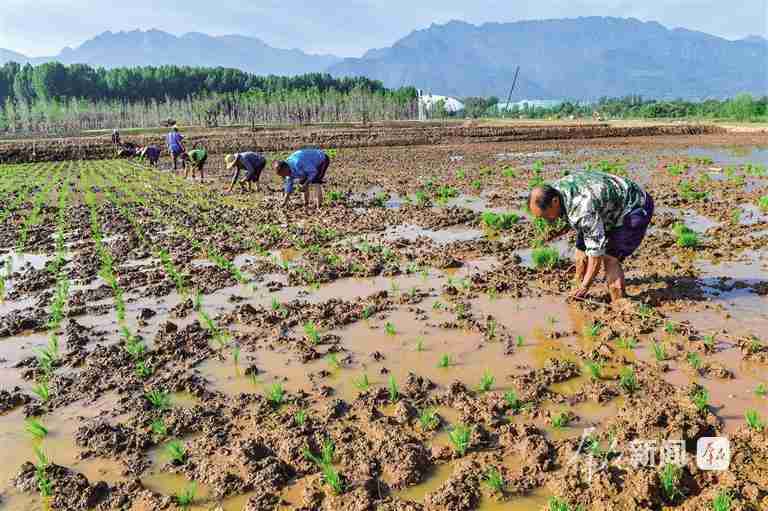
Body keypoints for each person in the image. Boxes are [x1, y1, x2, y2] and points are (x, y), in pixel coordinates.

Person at [528, 170, 654, 303]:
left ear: (554, 202)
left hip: (634, 207)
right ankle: (576, 285)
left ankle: (619, 303)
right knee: (580, 250)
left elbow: (596, 254)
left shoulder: (582, 210)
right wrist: (550, 235)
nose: (546, 220)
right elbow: (573, 223)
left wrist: (585, 287)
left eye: (545, 216)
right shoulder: (557, 190)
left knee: (610, 258)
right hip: (604, 206)